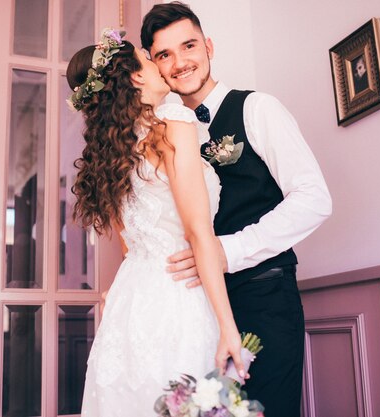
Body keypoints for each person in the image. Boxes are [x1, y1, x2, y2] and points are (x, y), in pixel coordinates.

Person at [141, 3, 332, 417]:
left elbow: (314, 198)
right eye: (164, 55)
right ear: (154, 66)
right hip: (193, 308)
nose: (180, 62)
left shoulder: (257, 108)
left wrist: (230, 251)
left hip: (262, 294)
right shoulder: (161, 133)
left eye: (188, 45)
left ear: (208, 46)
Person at [67, 29, 247, 416]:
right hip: (177, 297)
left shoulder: (112, 153)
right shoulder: (173, 125)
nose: (157, 65)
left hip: (130, 303)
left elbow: (131, 243)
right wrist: (228, 327)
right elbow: (199, 232)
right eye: (148, 59)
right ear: (135, 76)